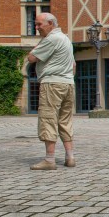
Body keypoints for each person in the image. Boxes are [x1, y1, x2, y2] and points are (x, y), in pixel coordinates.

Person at [27, 13, 76, 170]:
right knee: (65, 121)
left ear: (50, 23)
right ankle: (70, 157)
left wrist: (41, 41)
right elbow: (73, 65)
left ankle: (49, 159)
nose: (37, 28)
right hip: (68, 83)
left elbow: (31, 58)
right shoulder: (66, 39)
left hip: (52, 83)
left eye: (39, 24)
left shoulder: (51, 39)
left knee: (48, 118)